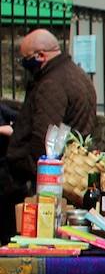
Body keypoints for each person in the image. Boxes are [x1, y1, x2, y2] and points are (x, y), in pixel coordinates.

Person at [1, 29, 96, 232]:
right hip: (67, 171)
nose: (24, 64)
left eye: (26, 59)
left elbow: (43, 138)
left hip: (45, 179)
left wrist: (29, 171)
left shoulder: (51, 83)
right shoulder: (76, 74)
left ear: (41, 55)